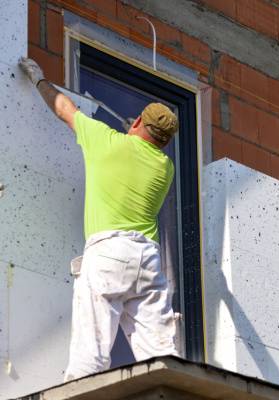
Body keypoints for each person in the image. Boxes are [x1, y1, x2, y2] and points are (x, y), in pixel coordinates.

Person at [19, 57, 180, 381]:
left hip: (108, 254)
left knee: (89, 357)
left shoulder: (104, 142)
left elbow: (64, 108)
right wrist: (133, 136)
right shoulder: (166, 168)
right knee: (162, 357)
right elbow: (140, 152)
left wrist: (39, 79)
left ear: (137, 124)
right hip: (147, 261)